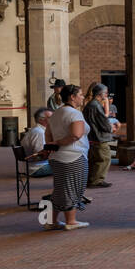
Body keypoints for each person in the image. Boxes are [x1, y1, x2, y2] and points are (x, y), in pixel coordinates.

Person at [43, 84, 90, 230]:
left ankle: (51, 221)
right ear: (72, 97)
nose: (83, 97)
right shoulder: (75, 113)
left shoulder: (56, 113)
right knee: (73, 188)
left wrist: (53, 144)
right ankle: (71, 221)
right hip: (73, 156)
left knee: (59, 189)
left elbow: (48, 135)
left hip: (57, 157)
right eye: (81, 94)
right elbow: (76, 134)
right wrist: (60, 142)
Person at [83, 83, 115, 188]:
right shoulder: (95, 105)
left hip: (92, 136)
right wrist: (110, 128)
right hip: (99, 137)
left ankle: (92, 179)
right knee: (104, 159)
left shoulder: (91, 104)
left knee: (95, 159)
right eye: (106, 93)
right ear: (101, 93)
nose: (106, 95)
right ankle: (97, 180)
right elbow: (102, 121)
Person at [21, 107, 55, 177]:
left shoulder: (37, 130)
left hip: (33, 167)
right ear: (41, 120)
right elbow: (41, 155)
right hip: (37, 168)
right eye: (51, 117)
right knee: (69, 165)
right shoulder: (39, 132)